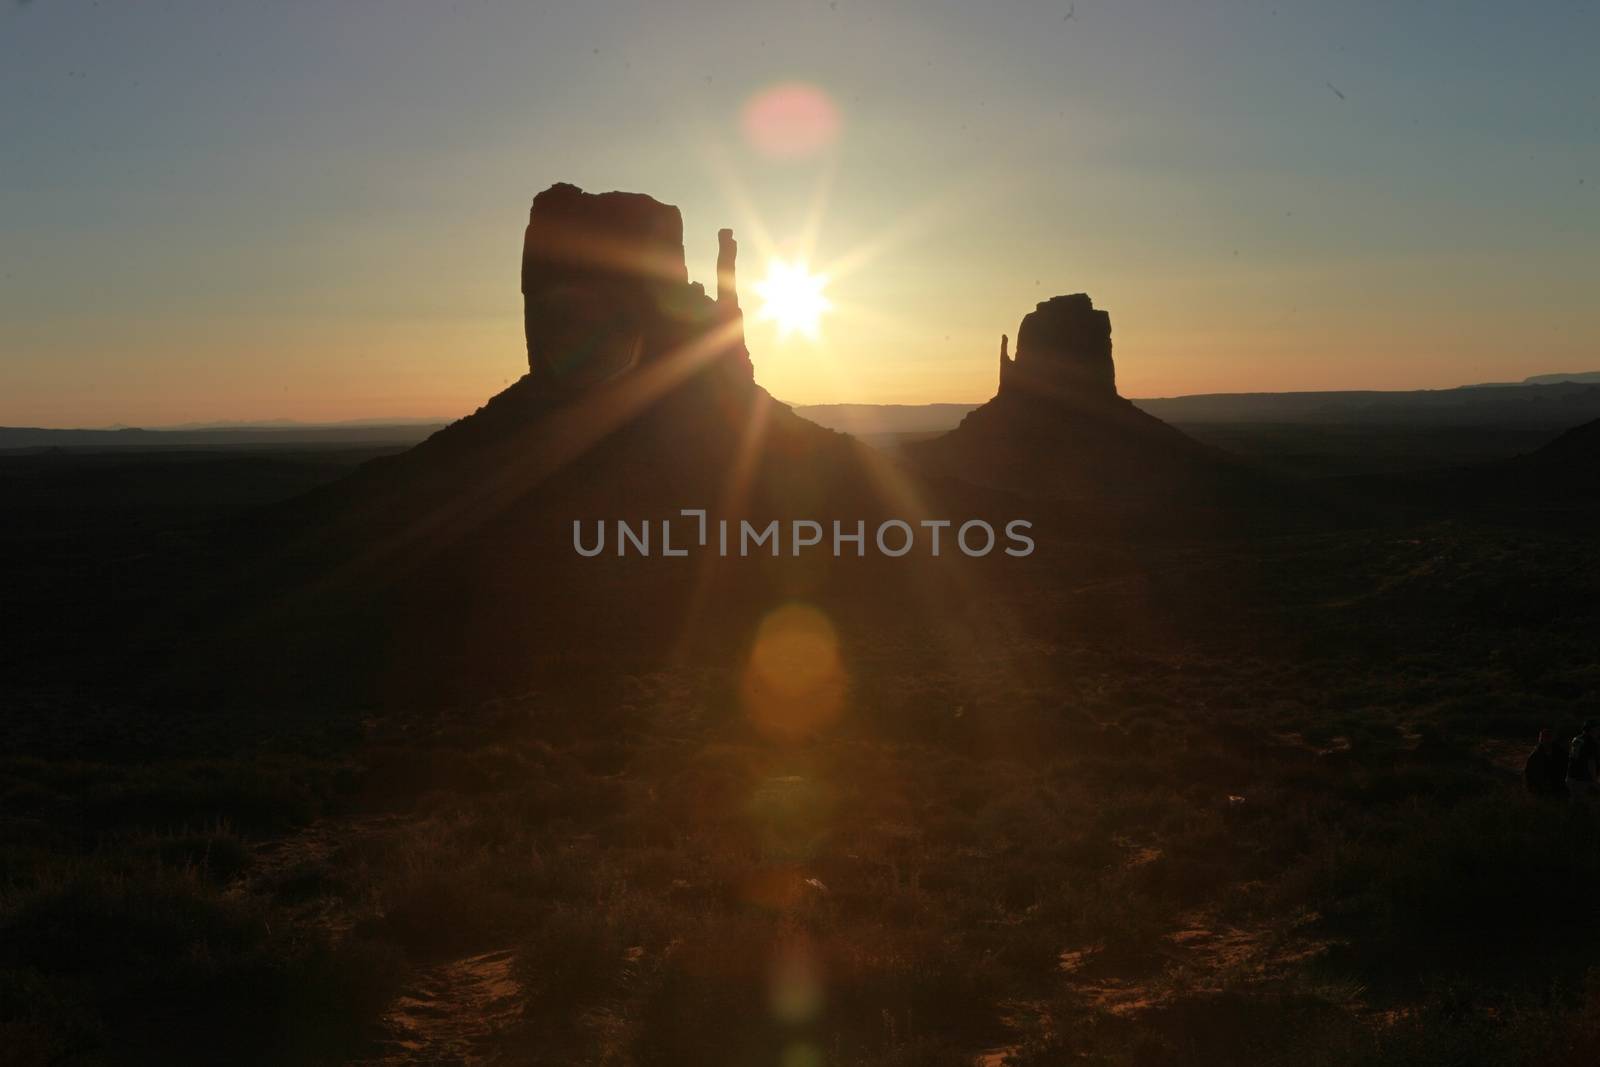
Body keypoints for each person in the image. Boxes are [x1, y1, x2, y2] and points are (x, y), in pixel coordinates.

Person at [1524, 727, 1568, 798]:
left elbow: (1566, 767)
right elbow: (1528, 773)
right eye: (1545, 737)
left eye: (1549, 737)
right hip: (1542, 789)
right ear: (1541, 739)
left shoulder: (1560, 752)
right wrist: (1531, 788)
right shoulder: (1536, 755)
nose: (1547, 740)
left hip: (1558, 787)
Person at [1565, 719, 1600, 801]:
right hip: (1582, 779)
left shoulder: (1577, 739)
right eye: (1598, 728)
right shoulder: (1591, 742)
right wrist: (1594, 781)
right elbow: (1591, 763)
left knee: (1575, 804)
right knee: (1588, 805)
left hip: (1571, 776)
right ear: (1593, 729)